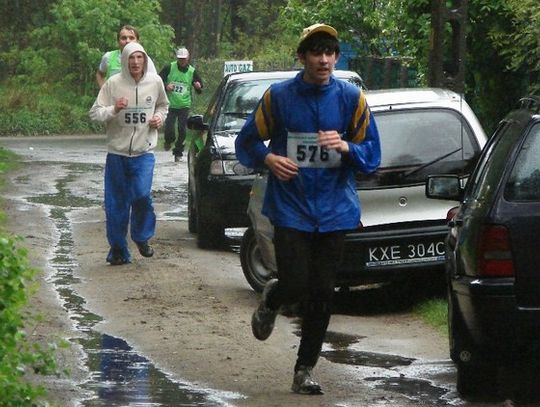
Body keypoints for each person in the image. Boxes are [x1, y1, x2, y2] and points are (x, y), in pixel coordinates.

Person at [235, 23, 381, 394]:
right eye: (316, 52)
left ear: (337, 56)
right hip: (291, 207)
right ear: (302, 57)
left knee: (322, 292)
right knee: (297, 282)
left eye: (330, 52)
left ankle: (304, 369)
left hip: (334, 210)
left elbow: (372, 156)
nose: (324, 59)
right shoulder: (279, 97)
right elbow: (246, 142)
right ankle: (274, 297)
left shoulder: (352, 99)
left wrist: (347, 147)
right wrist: (268, 158)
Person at [89, 42, 169, 265]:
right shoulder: (113, 84)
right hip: (117, 154)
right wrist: (114, 109)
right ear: (124, 60)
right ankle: (118, 249)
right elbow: (95, 114)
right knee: (116, 204)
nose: (135, 62)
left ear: (145, 60)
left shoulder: (155, 82)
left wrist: (159, 118)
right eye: (131, 58)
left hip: (144, 152)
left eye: (139, 58)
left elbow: (164, 105)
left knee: (142, 196)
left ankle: (141, 237)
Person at [159, 47, 203, 161]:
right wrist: (166, 86)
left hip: (184, 105)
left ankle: (178, 152)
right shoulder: (169, 67)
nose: (182, 61)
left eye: (184, 59)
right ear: (177, 58)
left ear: (188, 58)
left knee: (182, 129)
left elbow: (199, 87)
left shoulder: (192, 71)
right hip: (170, 104)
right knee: (169, 128)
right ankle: (168, 141)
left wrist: (198, 86)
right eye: (180, 59)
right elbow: (158, 80)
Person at [96, 25, 157, 89]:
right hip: (113, 98)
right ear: (118, 41)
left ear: (137, 41)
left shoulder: (145, 59)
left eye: (131, 38)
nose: (127, 41)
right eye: (123, 38)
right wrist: (104, 91)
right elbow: (100, 74)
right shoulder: (108, 57)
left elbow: (154, 82)